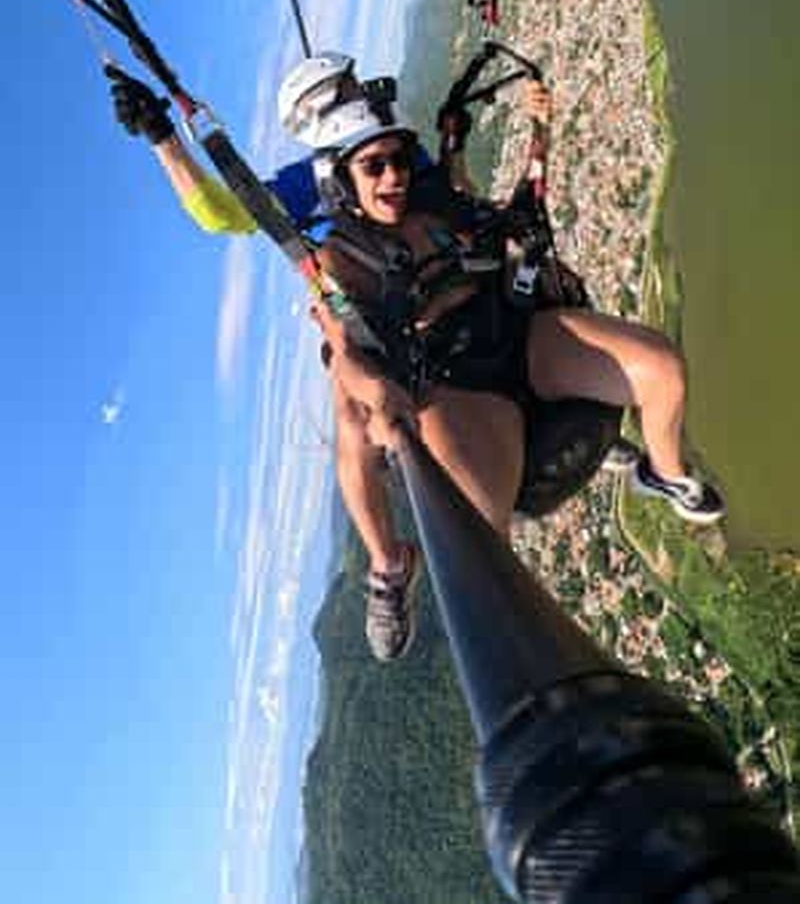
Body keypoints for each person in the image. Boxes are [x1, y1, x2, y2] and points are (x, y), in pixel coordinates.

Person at [109, 59, 725, 662]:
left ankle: (662, 473)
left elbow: (466, 209)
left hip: (500, 325)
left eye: (397, 158)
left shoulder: (409, 161)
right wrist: (164, 137)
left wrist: (525, 158)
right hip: (435, 370)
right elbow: (221, 212)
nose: (393, 175)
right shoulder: (302, 199)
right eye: (375, 165)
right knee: (371, 431)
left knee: (660, 369)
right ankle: (388, 567)